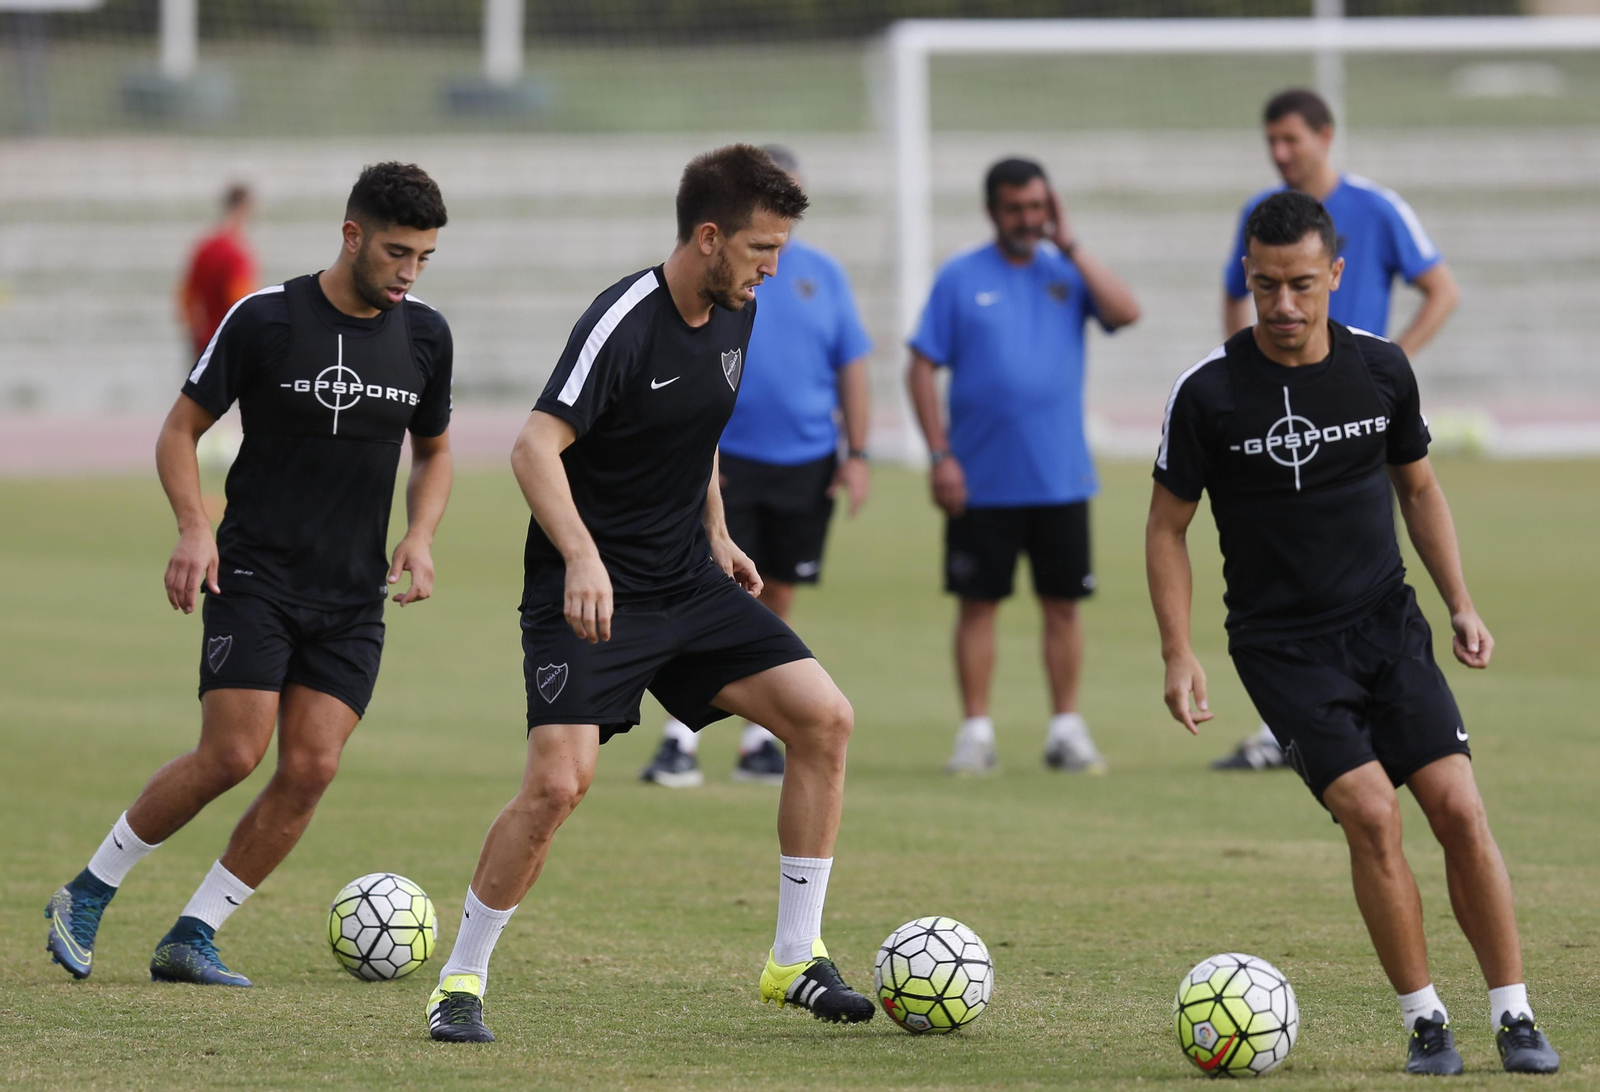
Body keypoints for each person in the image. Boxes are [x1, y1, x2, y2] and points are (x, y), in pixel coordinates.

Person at [425, 145, 872, 1044]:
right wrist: (583, 556)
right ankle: (459, 980)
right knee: (558, 785)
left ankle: (794, 958)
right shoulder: (623, 321)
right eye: (759, 248)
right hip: (587, 592)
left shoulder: (739, 308)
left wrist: (714, 531)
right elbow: (531, 448)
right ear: (708, 237)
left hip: (687, 580)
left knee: (825, 719)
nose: (772, 268)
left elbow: (696, 429)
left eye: (779, 249)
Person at [1146, 190, 1559, 1076]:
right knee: (1372, 816)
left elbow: (1419, 488)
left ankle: (1515, 1014)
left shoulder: (1381, 369)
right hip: (1282, 649)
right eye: (1264, 287)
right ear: (1246, 280)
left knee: (1457, 807)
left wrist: (1460, 601)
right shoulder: (1208, 393)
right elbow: (1165, 527)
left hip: (1386, 626)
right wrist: (1179, 652)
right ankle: (1425, 1022)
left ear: (1336, 274)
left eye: (1301, 284)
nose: (1283, 307)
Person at [45, 163, 455, 987]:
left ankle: (193, 934)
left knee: (311, 769)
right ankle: (86, 891)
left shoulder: (425, 335)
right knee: (233, 753)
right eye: (397, 253)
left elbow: (435, 449)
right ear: (351, 236)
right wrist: (195, 528)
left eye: (425, 258)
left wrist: (420, 533)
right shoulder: (265, 319)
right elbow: (178, 430)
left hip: (352, 596)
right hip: (256, 576)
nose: (409, 273)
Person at [1215, 88, 1461, 771]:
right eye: (1272, 141)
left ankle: (1367, 711)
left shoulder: (1377, 207)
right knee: (1282, 549)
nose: (1280, 152)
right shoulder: (1263, 217)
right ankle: (1290, 725)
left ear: (1326, 135)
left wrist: (1390, 367)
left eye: (1291, 139)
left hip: (1357, 410)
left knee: (1361, 557)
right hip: (1281, 403)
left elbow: (1442, 288)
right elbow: (1233, 296)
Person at [639, 144, 872, 789]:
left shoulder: (822, 274)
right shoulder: (716, 287)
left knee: (774, 590)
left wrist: (857, 453)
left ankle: (758, 741)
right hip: (724, 460)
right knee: (702, 585)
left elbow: (852, 361)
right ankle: (679, 737)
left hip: (805, 460)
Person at [906, 157, 1139, 776]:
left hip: (1060, 475)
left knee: (1063, 604)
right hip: (980, 479)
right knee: (978, 604)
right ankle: (976, 730)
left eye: (1038, 206)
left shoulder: (1067, 271)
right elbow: (921, 365)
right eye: (1016, 208)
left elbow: (1125, 312)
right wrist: (939, 454)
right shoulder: (960, 277)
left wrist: (1073, 243)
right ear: (993, 211)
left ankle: (1066, 728)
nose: (1028, 219)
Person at [179, 183, 259, 360]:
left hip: (204, 343)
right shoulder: (237, 254)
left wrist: (195, 337)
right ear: (245, 208)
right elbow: (242, 306)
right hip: (229, 349)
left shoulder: (204, 248)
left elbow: (186, 298)